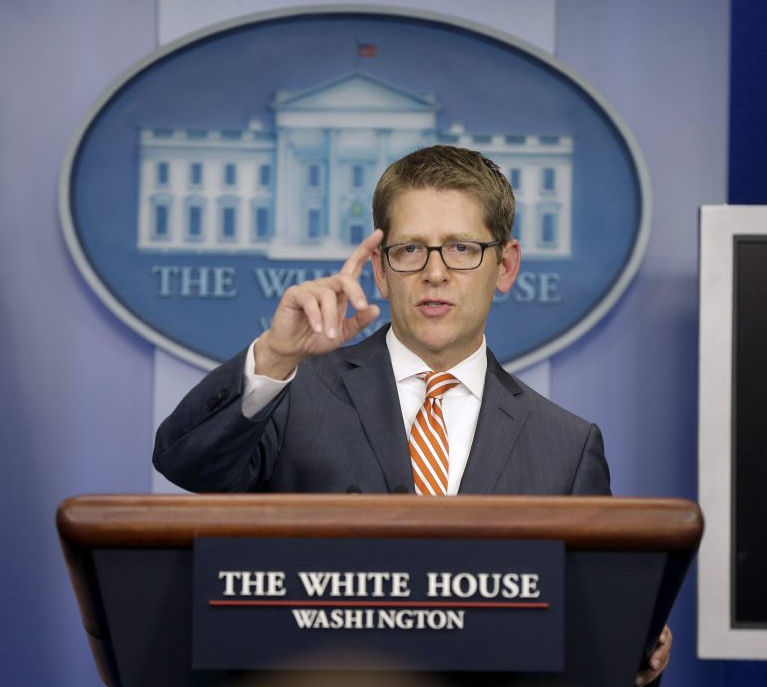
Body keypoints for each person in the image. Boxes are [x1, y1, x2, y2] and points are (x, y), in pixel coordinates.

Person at [153, 145, 670, 685]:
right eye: (410, 250)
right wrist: (277, 355)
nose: (435, 273)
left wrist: (635, 650)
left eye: (462, 248)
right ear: (380, 270)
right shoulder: (295, 391)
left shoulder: (566, 447)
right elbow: (185, 463)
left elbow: (595, 628)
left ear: (506, 266)